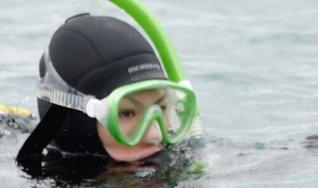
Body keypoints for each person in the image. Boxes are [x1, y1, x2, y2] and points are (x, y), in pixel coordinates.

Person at [15, 9, 201, 175]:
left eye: (161, 107)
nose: (156, 135)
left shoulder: (185, 162)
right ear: (78, 124)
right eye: (127, 113)